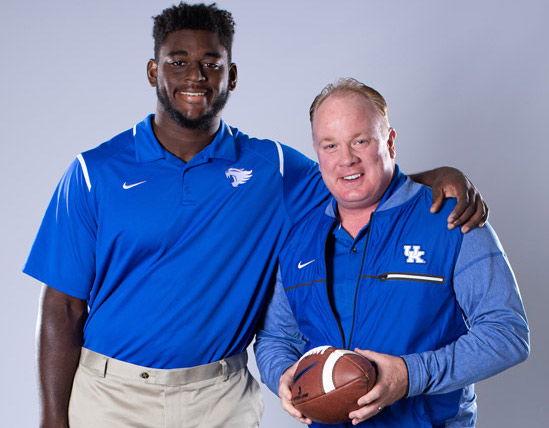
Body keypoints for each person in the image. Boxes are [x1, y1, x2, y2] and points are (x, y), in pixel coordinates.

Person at [24, 4, 487, 428]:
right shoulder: (94, 171)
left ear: (232, 75)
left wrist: (436, 176)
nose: (196, 75)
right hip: (112, 395)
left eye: (211, 63)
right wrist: (50, 418)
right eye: (178, 60)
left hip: (220, 397)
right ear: (153, 71)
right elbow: (62, 307)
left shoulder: (274, 169)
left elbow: (353, 182)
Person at [254, 78, 529, 427]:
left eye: (360, 141)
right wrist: (285, 374)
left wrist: (410, 375)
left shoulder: (452, 220)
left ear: (390, 142)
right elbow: (276, 337)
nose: (346, 160)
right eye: (330, 145)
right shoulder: (298, 241)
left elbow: (507, 334)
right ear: (316, 151)